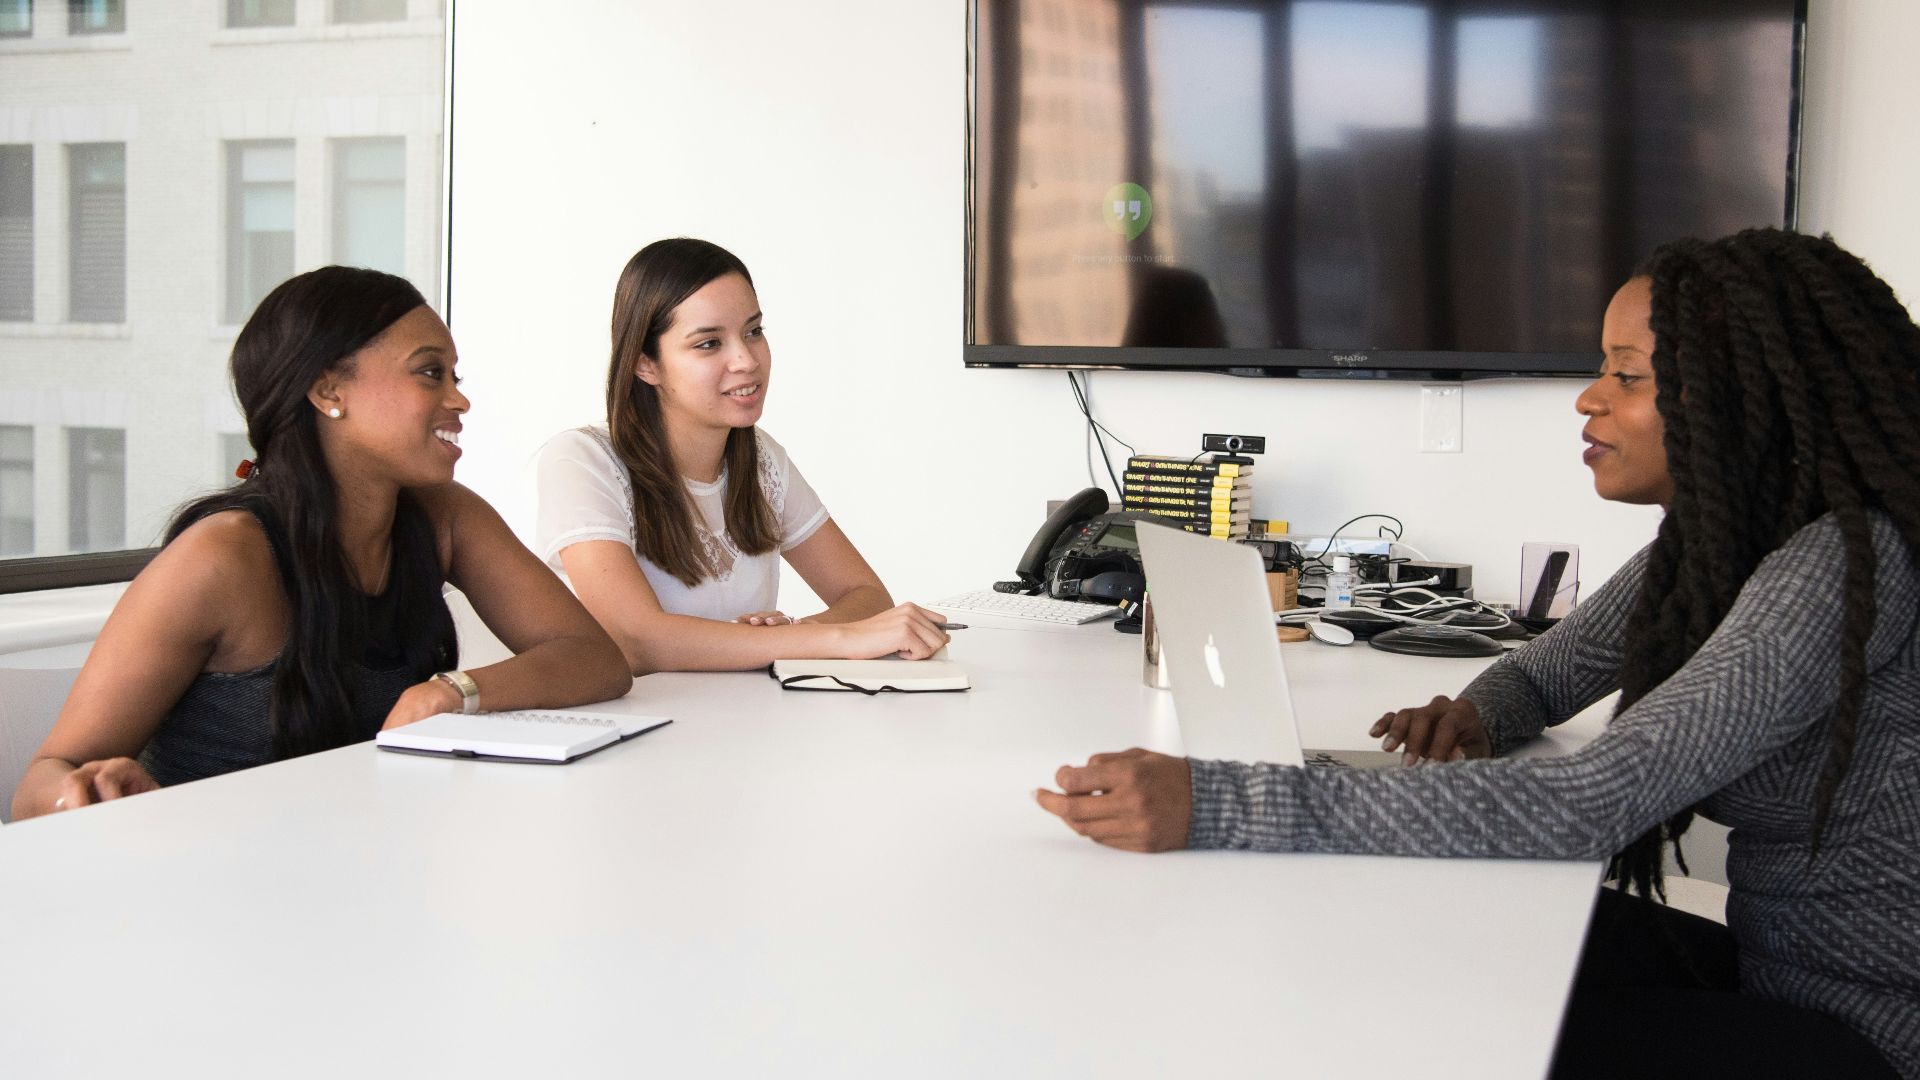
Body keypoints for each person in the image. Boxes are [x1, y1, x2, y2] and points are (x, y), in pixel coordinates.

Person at [1035, 229, 1918, 1078]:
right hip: (1778, 974)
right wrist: (1480, 716)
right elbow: (1543, 671)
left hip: (1866, 1030)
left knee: (1439, 1028)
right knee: (1431, 930)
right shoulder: (1718, 548)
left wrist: (1219, 802)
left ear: (1742, 392)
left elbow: (1592, 802)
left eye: (1627, 374)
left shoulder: (1846, 564)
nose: (1588, 397)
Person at [11, 267, 632, 819]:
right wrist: (83, 793)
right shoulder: (222, 558)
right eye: (428, 372)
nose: (459, 398)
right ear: (329, 391)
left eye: (453, 374)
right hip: (211, 894)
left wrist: (451, 691)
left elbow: (594, 659)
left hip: (361, 867)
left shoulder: (444, 516)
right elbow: (40, 785)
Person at [535, 238, 948, 673]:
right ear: (646, 364)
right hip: (637, 731)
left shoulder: (762, 458)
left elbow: (865, 595)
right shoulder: (581, 461)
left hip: (745, 725)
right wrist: (816, 640)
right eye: (709, 344)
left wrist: (786, 638)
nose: (747, 360)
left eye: (753, 331)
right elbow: (639, 641)